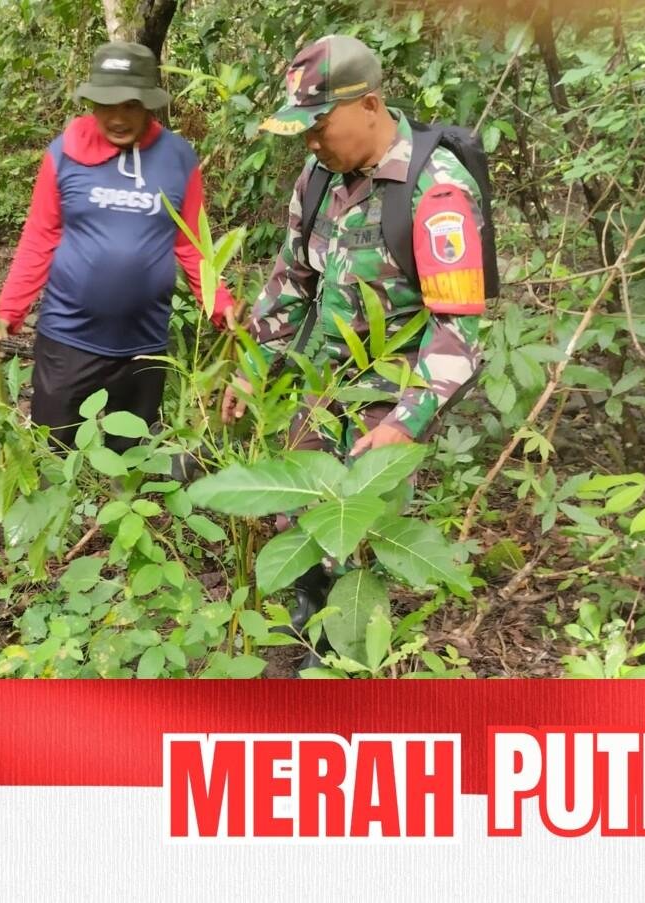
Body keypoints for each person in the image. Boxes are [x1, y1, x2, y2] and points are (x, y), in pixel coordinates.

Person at [222, 35, 489, 655]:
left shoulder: (437, 192)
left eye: (321, 127)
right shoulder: (319, 178)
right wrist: (253, 368)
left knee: (358, 534)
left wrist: (405, 422)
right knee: (300, 513)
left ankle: (349, 659)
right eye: (305, 131)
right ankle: (307, 628)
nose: (312, 144)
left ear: (369, 104)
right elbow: (291, 282)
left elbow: (458, 330)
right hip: (324, 380)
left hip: (391, 389)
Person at [0, 41, 234, 452]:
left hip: (144, 344)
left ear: (149, 104)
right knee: (53, 455)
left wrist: (222, 307)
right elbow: (40, 236)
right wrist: (8, 311)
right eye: (106, 104)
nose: (117, 118)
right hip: (68, 339)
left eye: (130, 105)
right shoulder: (64, 154)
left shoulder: (178, 159)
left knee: (132, 460)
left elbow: (192, 245)